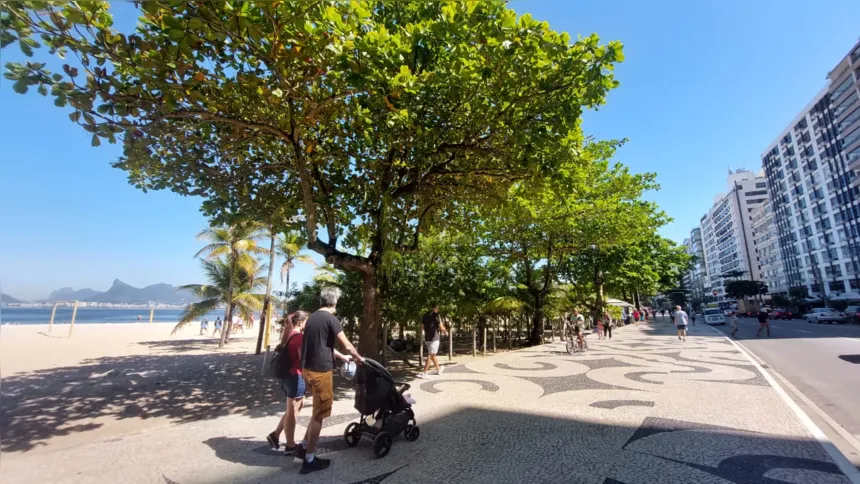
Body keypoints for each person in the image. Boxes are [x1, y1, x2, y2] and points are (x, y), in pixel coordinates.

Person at [295, 287, 363, 474]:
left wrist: (342, 357)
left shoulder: (311, 319)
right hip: (320, 373)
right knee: (320, 415)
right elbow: (347, 345)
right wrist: (358, 357)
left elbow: (324, 346)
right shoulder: (331, 319)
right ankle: (309, 459)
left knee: (316, 409)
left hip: (307, 370)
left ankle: (303, 446)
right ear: (335, 302)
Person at [267, 311, 309, 454]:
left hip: (288, 377)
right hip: (296, 377)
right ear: (301, 322)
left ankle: (275, 435)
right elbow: (304, 361)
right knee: (292, 413)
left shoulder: (288, 335)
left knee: (294, 408)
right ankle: (290, 446)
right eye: (307, 321)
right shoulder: (299, 338)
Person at [418, 304, 448, 379]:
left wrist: (422, 335)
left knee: (433, 354)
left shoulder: (424, 315)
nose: (437, 309)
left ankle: (439, 369)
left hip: (427, 338)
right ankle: (425, 373)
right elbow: (441, 326)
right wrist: (445, 332)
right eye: (437, 308)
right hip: (434, 338)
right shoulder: (436, 315)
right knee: (431, 355)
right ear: (436, 308)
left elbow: (422, 327)